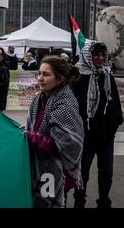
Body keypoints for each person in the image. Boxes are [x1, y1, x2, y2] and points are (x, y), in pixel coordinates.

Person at [24, 55, 84, 208]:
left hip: (56, 170)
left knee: (49, 204)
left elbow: (62, 144)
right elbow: (33, 127)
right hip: (39, 165)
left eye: (46, 74)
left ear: (59, 79)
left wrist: (30, 137)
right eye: (39, 73)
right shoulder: (40, 99)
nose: (40, 78)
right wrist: (26, 132)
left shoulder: (65, 102)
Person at [71, 41, 123, 208]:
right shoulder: (79, 78)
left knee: (107, 172)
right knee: (83, 172)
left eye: (103, 55)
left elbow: (114, 103)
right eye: (96, 55)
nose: (100, 58)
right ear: (89, 57)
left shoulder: (107, 76)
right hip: (86, 135)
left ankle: (104, 202)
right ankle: (79, 202)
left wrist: (116, 122)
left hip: (106, 134)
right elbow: (73, 106)